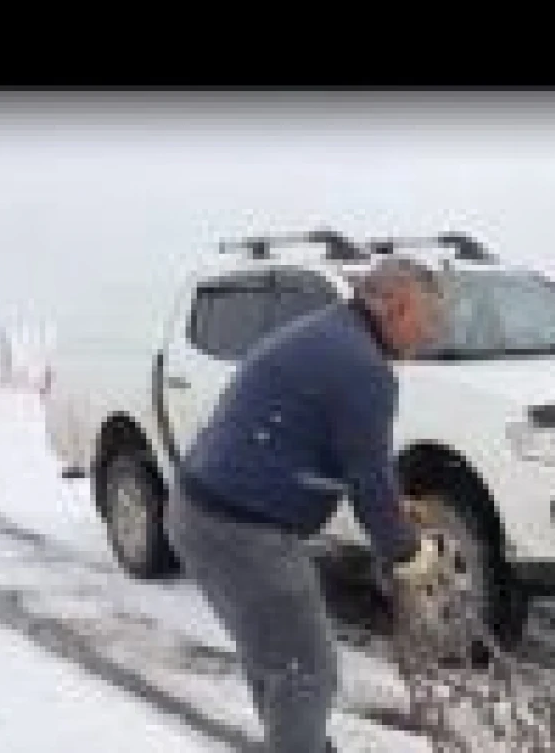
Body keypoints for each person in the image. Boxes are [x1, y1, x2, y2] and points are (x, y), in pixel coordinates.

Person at [165, 256, 453, 753]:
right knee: (306, 670)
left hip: (201, 512)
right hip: (242, 529)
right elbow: (369, 482)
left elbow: (329, 454)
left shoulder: (330, 334)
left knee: (278, 665)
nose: (432, 335)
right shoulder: (362, 368)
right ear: (396, 307)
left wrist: (389, 508)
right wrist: (408, 553)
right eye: (428, 320)